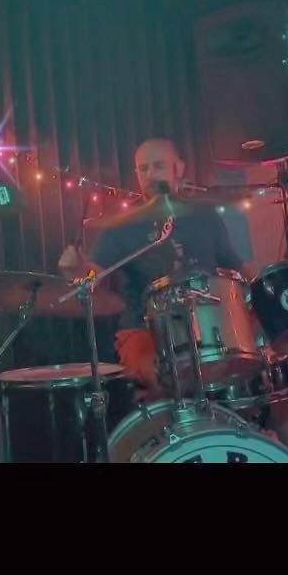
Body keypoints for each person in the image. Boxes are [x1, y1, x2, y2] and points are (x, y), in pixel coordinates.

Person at [58, 137, 247, 388]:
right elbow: (94, 276)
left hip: (209, 325)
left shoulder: (204, 215)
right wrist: (77, 269)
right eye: (143, 168)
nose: (149, 175)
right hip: (144, 330)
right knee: (167, 376)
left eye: (158, 166)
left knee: (256, 363)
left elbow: (237, 268)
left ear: (178, 168)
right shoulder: (123, 225)